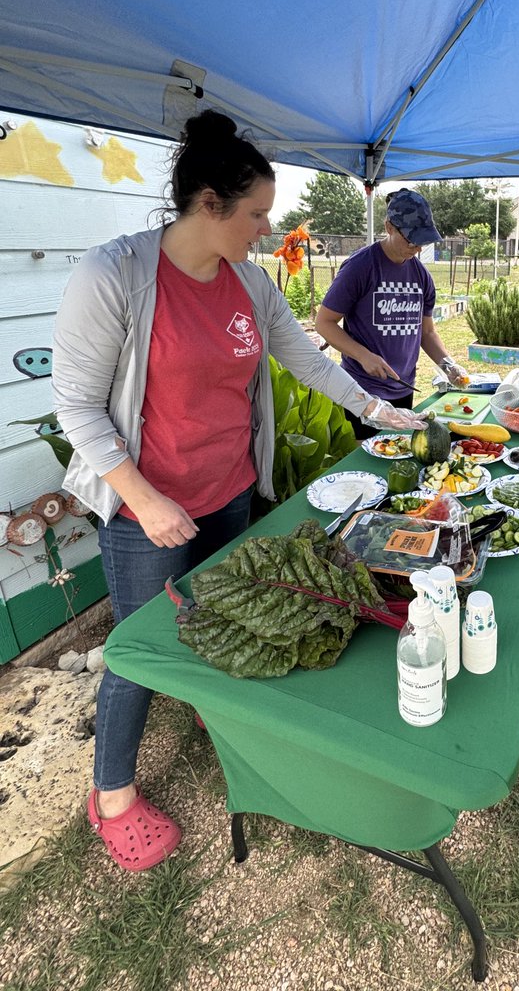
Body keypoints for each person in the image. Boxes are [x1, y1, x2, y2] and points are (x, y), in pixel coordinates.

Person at [52, 110, 425, 871]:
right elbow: (78, 406)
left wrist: (383, 412)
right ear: (209, 204)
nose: (266, 229)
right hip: (146, 508)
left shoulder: (250, 284)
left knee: (225, 617)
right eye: (257, 214)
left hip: (229, 492)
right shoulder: (115, 274)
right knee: (137, 646)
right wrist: (144, 497)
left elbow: (311, 362)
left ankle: (216, 724)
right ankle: (112, 794)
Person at [315, 188, 468, 440]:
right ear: (389, 227)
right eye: (410, 240)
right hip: (362, 392)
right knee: (365, 462)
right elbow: (324, 322)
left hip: (403, 389)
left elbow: (427, 331)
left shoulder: (421, 276)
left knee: (397, 455)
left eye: (422, 241)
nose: (416, 248)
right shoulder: (361, 267)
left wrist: (447, 364)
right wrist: (364, 356)